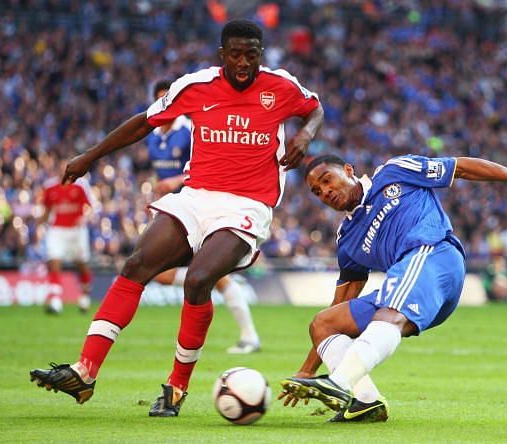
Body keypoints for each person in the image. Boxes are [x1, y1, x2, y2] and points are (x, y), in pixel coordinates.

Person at [29, 19, 324, 417]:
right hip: (196, 196)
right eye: (235, 54)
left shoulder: (281, 86)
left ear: (261, 55)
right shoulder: (195, 86)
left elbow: (315, 108)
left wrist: (305, 136)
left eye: (251, 55)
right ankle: (85, 372)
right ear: (222, 54)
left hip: (247, 205)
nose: (243, 63)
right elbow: (142, 123)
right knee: (136, 264)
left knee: (200, 279)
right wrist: (89, 157)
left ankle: (176, 387)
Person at [279, 154, 507, 422]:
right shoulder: (348, 238)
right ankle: (366, 401)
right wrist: (307, 370)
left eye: (327, 179)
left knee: (390, 309)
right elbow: (343, 299)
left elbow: (460, 167)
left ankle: (338, 382)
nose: (325, 191)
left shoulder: (393, 172)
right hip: (407, 283)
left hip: (436, 256)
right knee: (323, 324)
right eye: (317, 191)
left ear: (349, 171)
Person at [148, 79, 262, 354]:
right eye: (165, 100)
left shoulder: (189, 130)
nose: (170, 106)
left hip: (202, 206)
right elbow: (159, 176)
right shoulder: (153, 137)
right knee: (159, 273)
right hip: (175, 207)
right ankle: (207, 281)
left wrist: (176, 181)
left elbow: (210, 164)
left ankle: (249, 336)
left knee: (216, 277)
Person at [38, 165, 95, 314]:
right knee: (54, 261)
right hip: (57, 230)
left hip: (77, 230)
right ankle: (55, 301)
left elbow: (89, 207)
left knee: (81, 264)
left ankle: (84, 297)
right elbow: (47, 209)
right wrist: (39, 223)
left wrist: (83, 217)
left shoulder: (80, 186)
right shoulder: (50, 187)